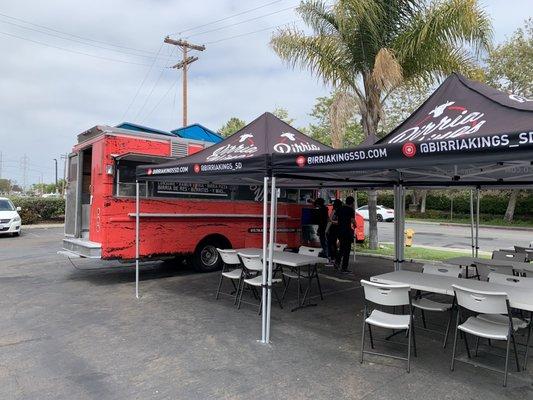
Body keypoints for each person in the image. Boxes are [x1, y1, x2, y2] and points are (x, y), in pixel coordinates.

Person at [335, 196, 356, 273]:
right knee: (347, 250)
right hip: (347, 232)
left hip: (339, 231)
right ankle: (344, 268)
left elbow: (335, 218)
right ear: (352, 203)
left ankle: (337, 261)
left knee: (341, 248)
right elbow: (353, 220)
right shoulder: (350, 210)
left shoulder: (340, 208)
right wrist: (355, 225)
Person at [327, 199, 342, 265]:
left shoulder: (335, 210)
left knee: (331, 244)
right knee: (334, 244)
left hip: (333, 228)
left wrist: (327, 229)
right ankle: (335, 258)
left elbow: (330, 220)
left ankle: (333, 259)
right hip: (338, 229)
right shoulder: (341, 210)